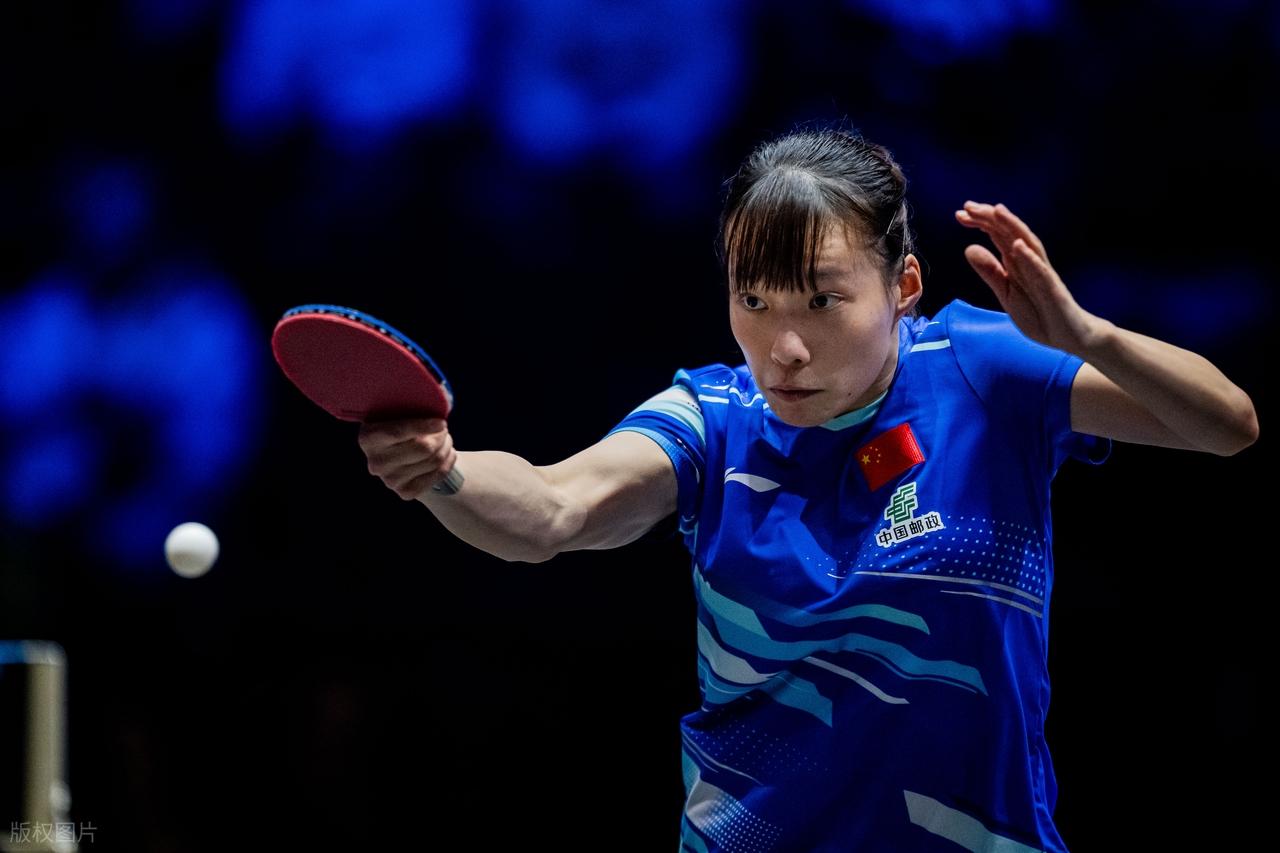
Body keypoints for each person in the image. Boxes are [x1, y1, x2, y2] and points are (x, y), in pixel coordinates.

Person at [356, 125, 1258, 851]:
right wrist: (447, 472)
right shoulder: (713, 416)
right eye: (754, 300)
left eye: (822, 301)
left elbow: (1226, 425)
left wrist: (1086, 335)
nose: (783, 348)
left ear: (903, 286)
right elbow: (553, 509)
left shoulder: (982, 369)